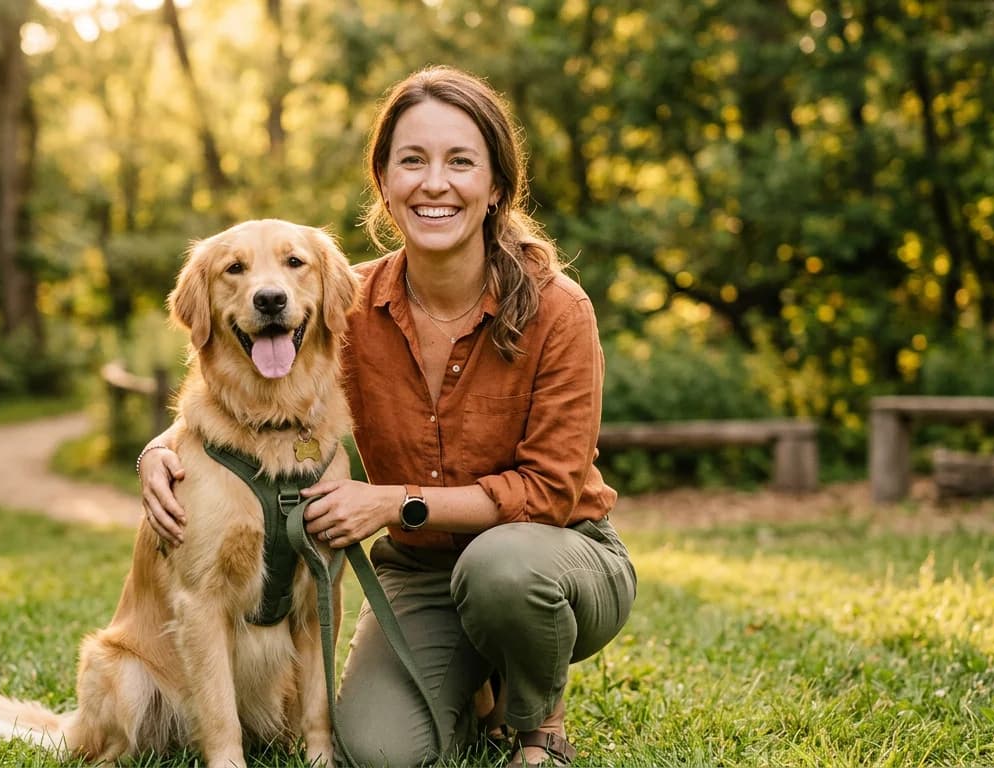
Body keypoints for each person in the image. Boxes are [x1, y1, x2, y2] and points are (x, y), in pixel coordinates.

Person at [139, 65, 636, 767]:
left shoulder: (559, 310)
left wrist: (391, 501)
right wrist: (161, 449)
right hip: (423, 572)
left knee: (503, 571)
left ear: (495, 186)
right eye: (413, 161)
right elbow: (246, 386)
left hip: (553, 556)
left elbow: (552, 493)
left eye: (460, 162)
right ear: (385, 182)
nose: (435, 182)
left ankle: (532, 721)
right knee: (376, 750)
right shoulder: (345, 304)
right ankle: (470, 683)